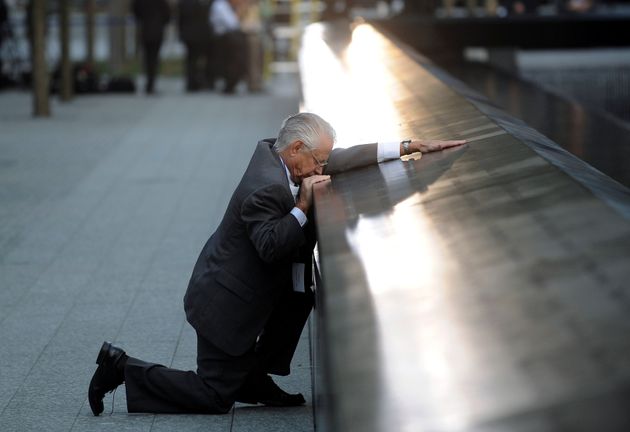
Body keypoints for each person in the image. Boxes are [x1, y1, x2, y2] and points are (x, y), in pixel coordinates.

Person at [87, 113, 466, 416]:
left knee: (299, 295)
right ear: (297, 148)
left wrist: (405, 147)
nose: (322, 168)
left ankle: (252, 378)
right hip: (222, 303)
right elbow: (270, 246)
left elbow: (341, 158)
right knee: (214, 397)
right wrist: (303, 206)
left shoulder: (281, 153)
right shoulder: (265, 186)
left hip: (240, 290)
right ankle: (120, 367)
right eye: (318, 161)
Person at [132, 0, 171, 94]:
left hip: (145, 31)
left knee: (147, 58)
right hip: (157, 31)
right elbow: (167, 15)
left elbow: (135, 11)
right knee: (154, 58)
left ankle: (149, 83)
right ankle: (151, 84)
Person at [210, 0, 247, 94]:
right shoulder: (220, 5)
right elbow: (232, 23)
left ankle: (230, 84)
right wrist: (240, 11)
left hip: (227, 37)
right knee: (230, 62)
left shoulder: (224, 5)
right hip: (225, 37)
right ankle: (229, 84)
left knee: (230, 62)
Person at [178, 0, 213, 91]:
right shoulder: (200, 4)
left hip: (188, 35)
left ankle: (191, 82)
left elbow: (180, 20)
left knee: (190, 59)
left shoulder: (183, 3)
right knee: (196, 59)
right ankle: (196, 82)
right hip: (199, 36)